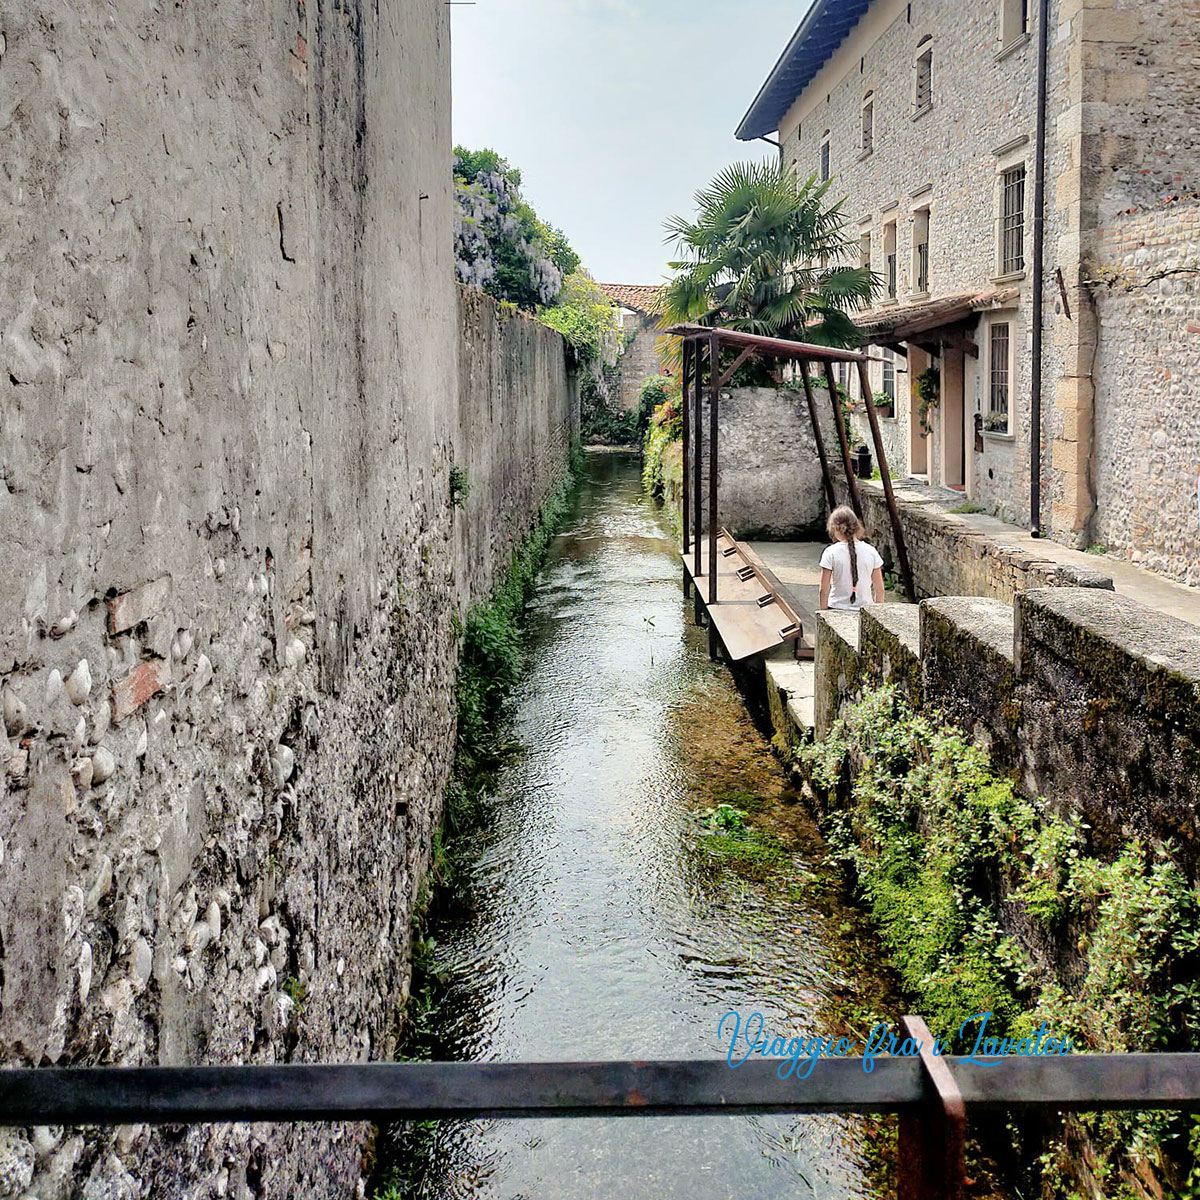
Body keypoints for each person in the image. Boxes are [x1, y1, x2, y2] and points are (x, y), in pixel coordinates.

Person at [818, 506, 885, 611]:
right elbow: (879, 589)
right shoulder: (871, 551)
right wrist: (876, 614)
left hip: (836, 608)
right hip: (865, 611)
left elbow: (824, 589)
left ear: (835, 528)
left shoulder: (830, 552)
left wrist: (823, 612)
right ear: (857, 526)